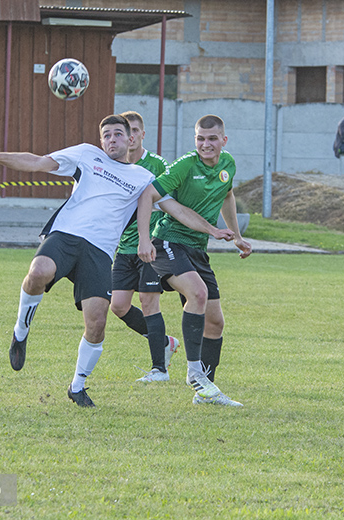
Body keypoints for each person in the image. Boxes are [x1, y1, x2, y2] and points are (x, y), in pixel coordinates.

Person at [0, 114, 230, 408]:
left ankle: (77, 386)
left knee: (97, 322)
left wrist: (212, 229)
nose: (111, 140)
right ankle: (20, 332)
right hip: (66, 235)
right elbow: (37, 162)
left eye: (118, 134)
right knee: (39, 271)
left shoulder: (143, 178)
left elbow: (177, 210)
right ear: (100, 140)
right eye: (106, 135)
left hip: (100, 252)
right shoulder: (85, 155)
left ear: (131, 139)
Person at [137, 114, 252, 407]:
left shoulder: (228, 165)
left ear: (223, 141)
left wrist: (237, 236)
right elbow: (148, 195)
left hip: (198, 249)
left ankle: (206, 391)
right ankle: (194, 374)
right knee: (197, 293)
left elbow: (227, 196)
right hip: (168, 241)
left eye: (212, 139)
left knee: (215, 323)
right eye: (200, 138)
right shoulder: (186, 165)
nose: (206, 144)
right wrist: (144, 239)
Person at [110, 111, 185, 382]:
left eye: (134, 131)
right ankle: (164, 342)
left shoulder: (157, 164)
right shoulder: (114, 163)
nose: (129, 136)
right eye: (124, 131)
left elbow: (171, 200)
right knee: (118, 306)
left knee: (149, 301)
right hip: (124, 248)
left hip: (151, 245)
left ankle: (159, 370)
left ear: (142, 134)